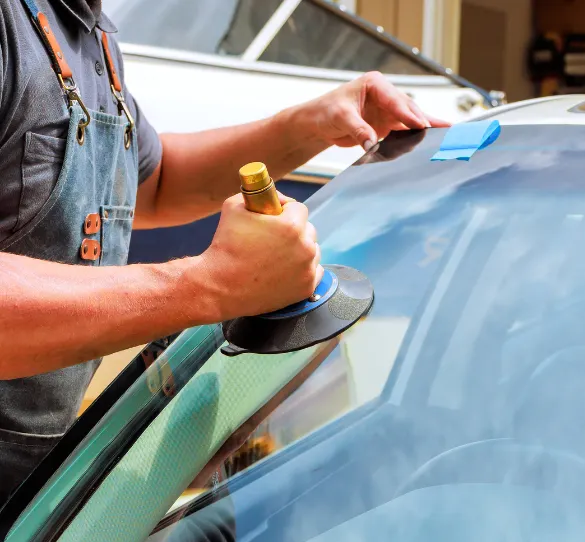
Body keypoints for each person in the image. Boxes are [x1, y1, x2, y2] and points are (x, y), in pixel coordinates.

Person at [0, 0, 447, 504]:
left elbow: (157, 181)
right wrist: (211, 286)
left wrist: (308, 127)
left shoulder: (88, 32)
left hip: (31, 505)